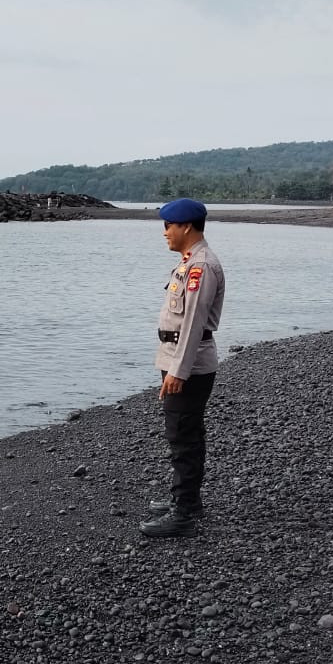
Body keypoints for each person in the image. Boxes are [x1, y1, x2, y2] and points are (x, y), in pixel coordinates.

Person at [140, 198, 225, 538]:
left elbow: (192, 324)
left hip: (188, 364)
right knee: (183, 433)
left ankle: (184, 512)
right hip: (178, 358)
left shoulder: (201, 267)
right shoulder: (189, 262)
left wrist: (178, 370)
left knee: (183, 437)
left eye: (168, 226)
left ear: (186, 227)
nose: (165, 233)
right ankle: (186, 498)